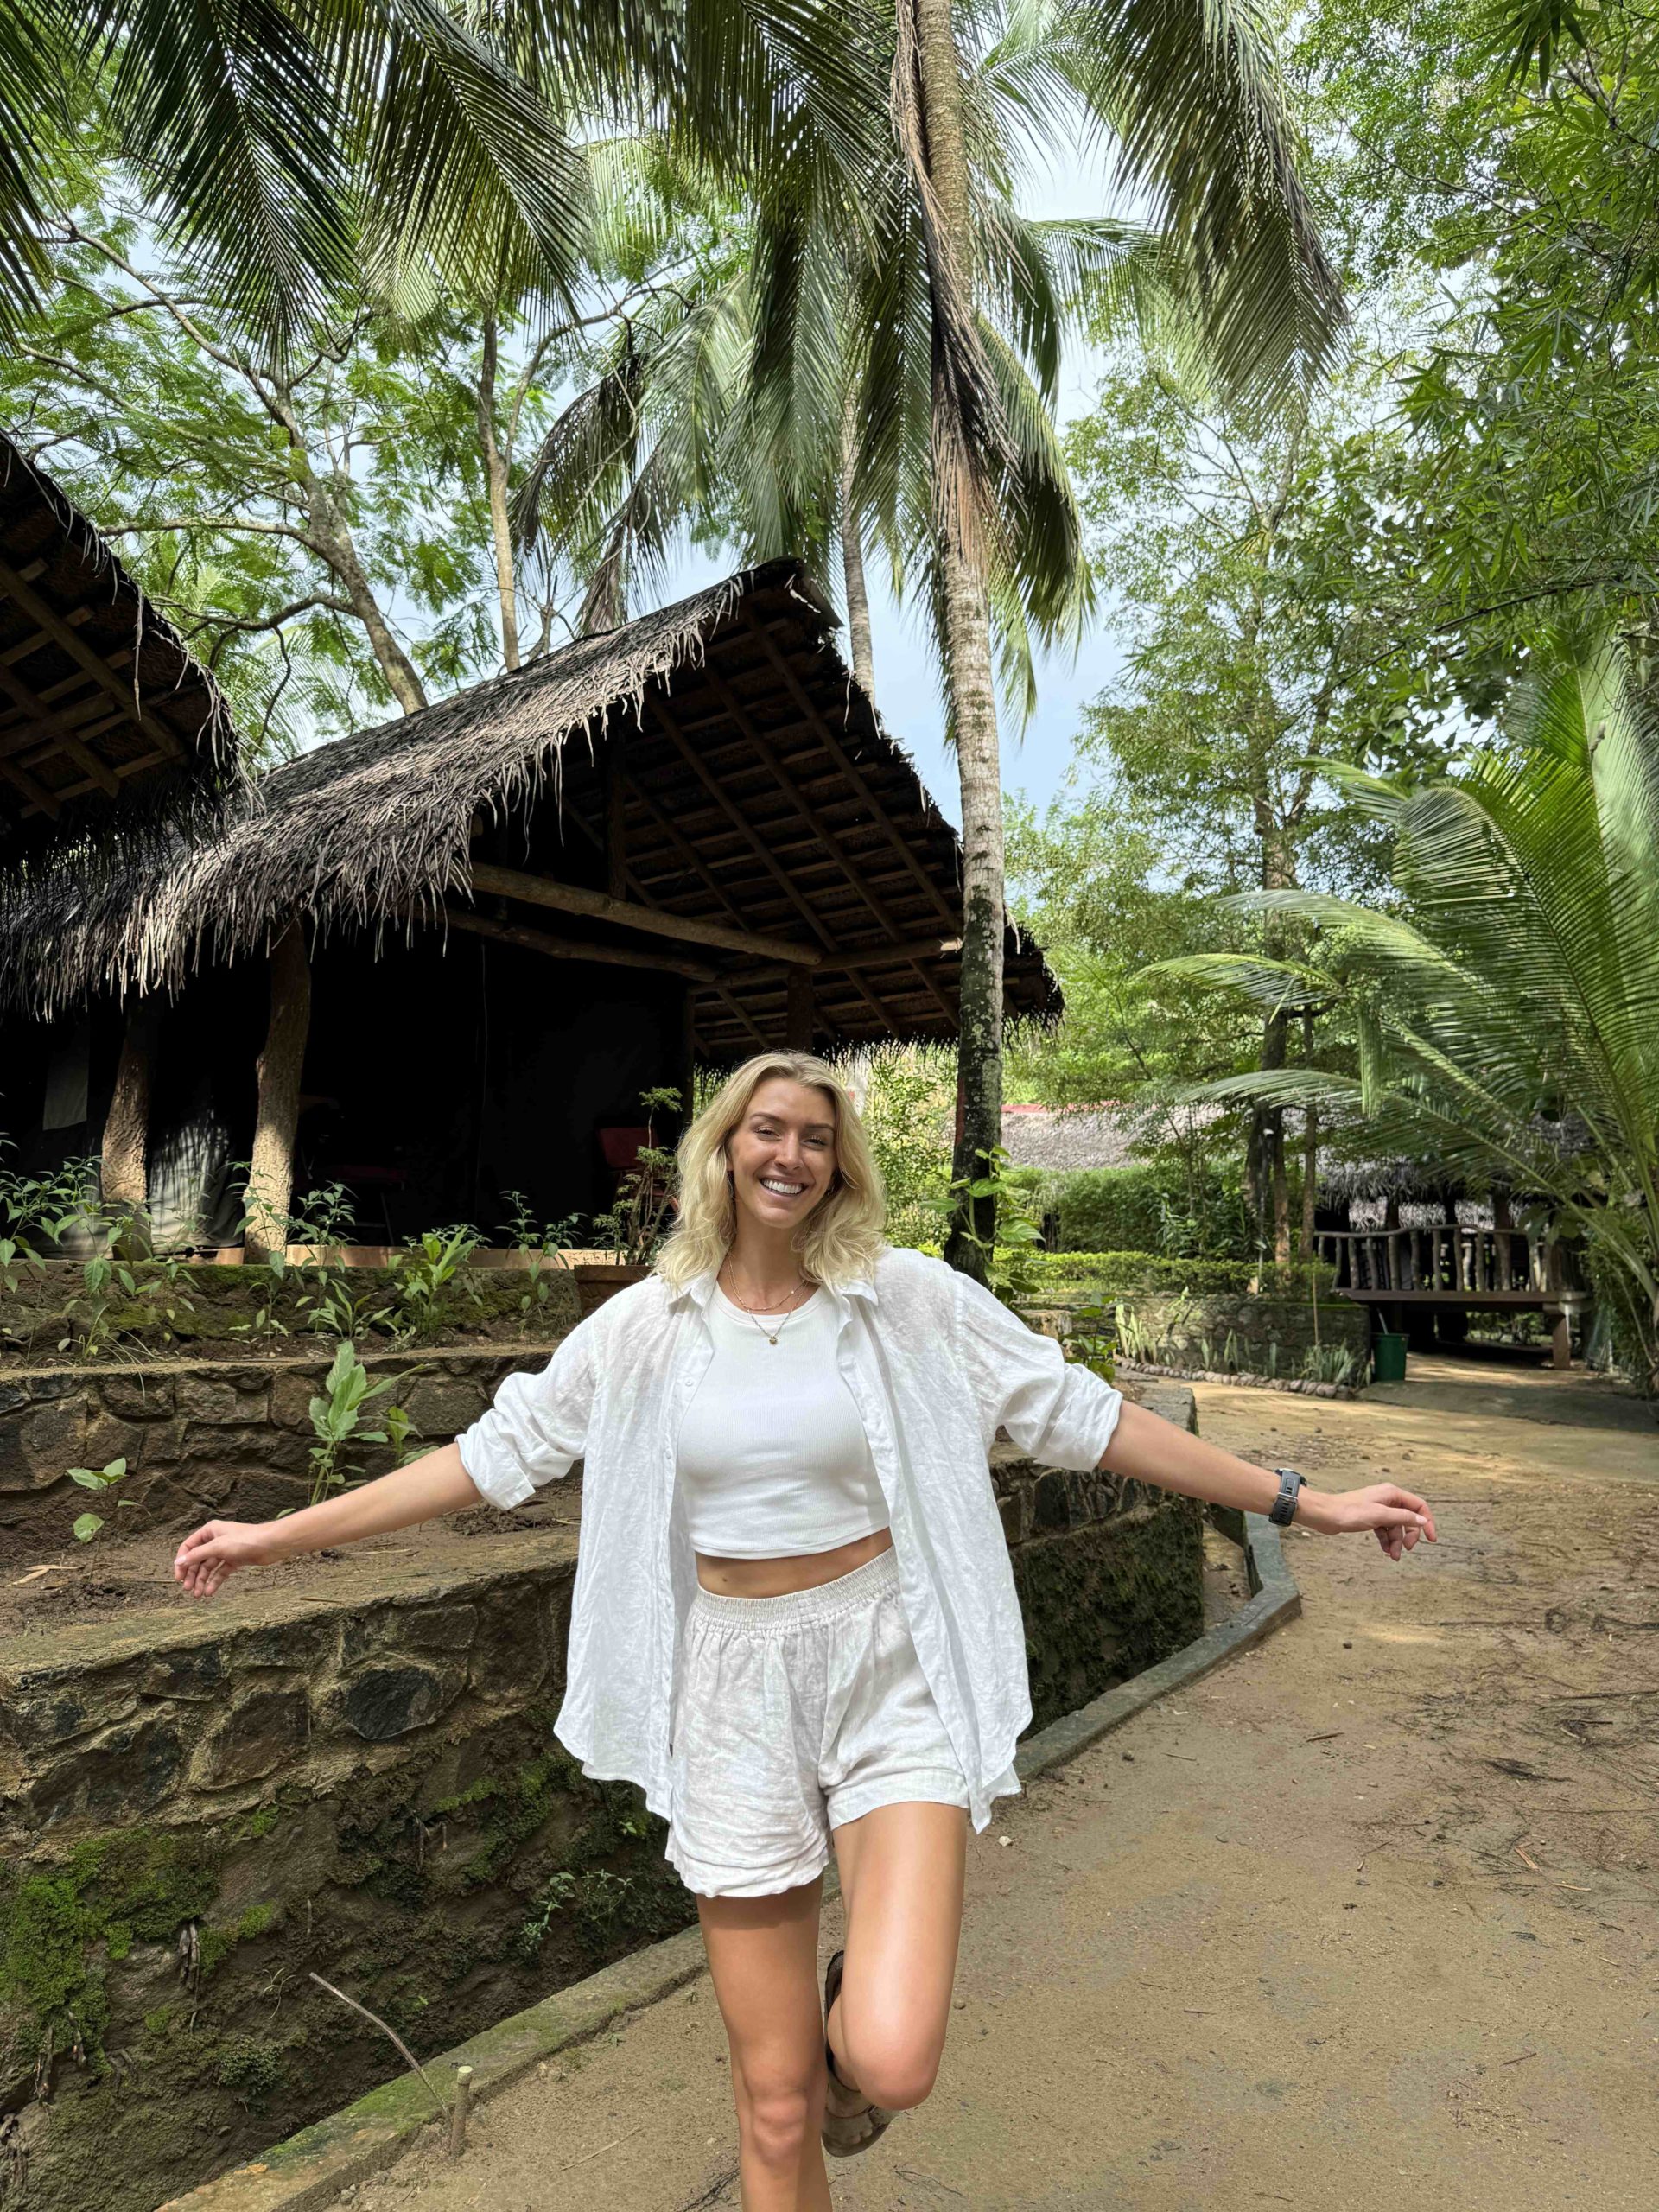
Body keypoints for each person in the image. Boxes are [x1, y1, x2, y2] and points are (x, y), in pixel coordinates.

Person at [173, 1050, 1438, 2210]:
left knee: (887, 2059)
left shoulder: (909, 1303)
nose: (788, 1155)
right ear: (722, 1151)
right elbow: (488, 1459)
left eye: (815, 1139)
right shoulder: (642, 1331)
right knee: (773, 2106)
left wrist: (1301, 1500)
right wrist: (279, 1537)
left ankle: (850, 2038)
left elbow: (1083, 1416)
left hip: (892, 1661)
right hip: (731, 1686)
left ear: (839, 1167)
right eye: (764, 1131)